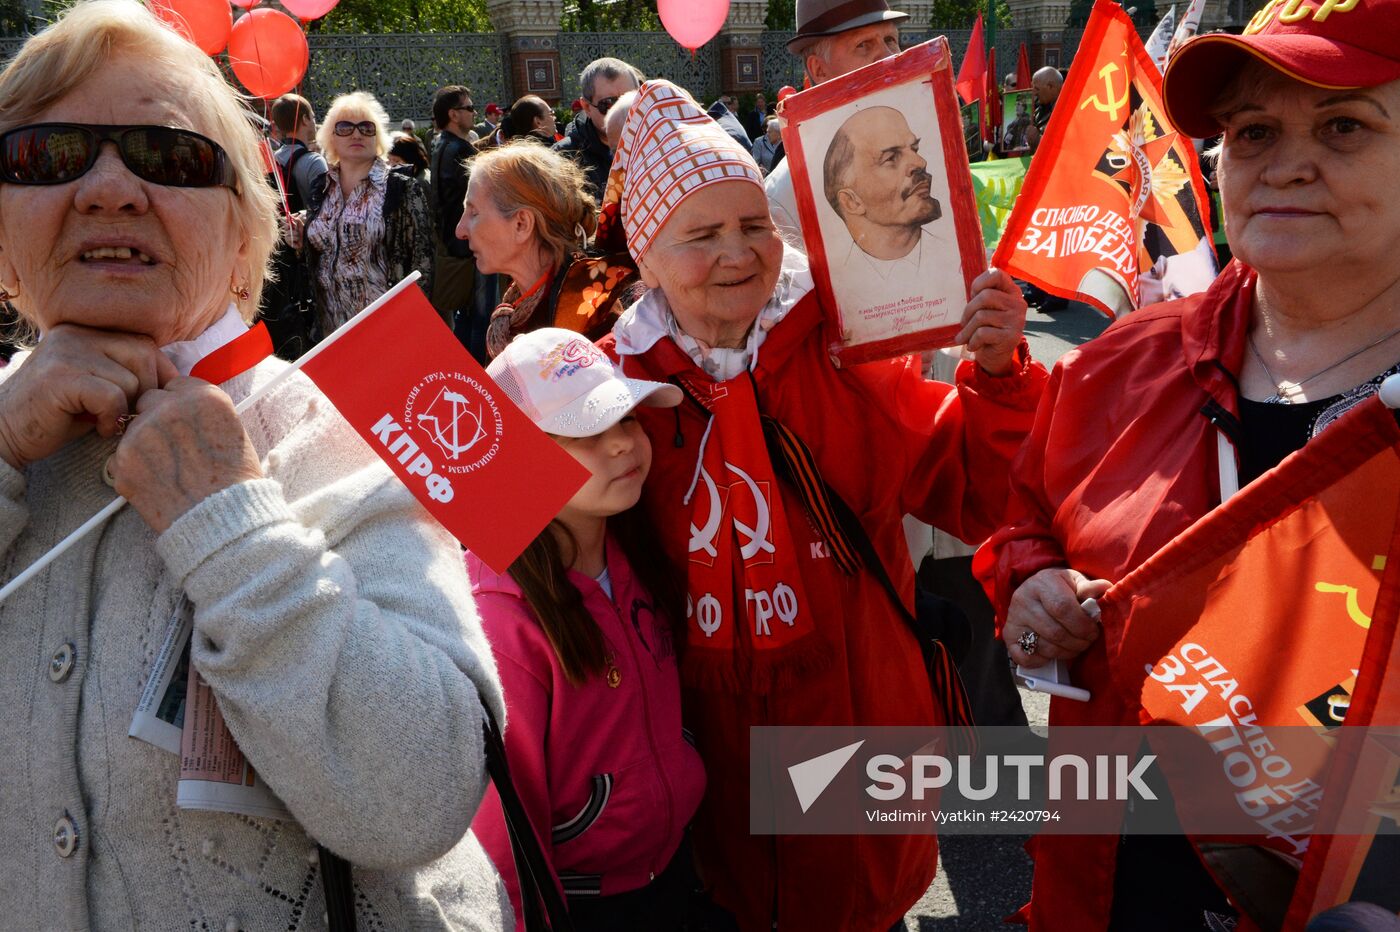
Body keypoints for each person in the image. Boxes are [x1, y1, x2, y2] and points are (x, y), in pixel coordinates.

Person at [0, 2, 510, 928]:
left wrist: (230, 523)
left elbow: (428, 795)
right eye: (49, 155)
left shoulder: (336, 427)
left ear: (244, 239)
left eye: (169, 158)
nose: (109, 190)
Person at [974, 2, 1400, 929]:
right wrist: (1034, 588)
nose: (1286, 162)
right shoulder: (1115, 365)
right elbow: (1022, 527)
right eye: (1253, 132)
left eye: (1343, 125)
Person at [602, 79, 1045, 932]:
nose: (739, 254)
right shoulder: (611, 386)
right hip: (699, 752)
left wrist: (999, 377)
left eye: (753, 226)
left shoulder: (843, 343)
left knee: (857, 907)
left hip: (858, 717)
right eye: (702, 235)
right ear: (646, 254)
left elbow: (974, 487)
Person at [469, 328, 706, 932]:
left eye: (626, 418)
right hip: (582, 906)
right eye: (588, 433)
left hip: (674, 873)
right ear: (520, 458)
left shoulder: (638, 556)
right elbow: (506, 825)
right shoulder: (504, 618)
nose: (625, 444)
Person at [458, 142, 638, 358]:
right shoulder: (517, 306)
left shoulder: (585, 314)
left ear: (521, 224)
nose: (460, 230)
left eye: (474, 212)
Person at [765, 0, 906, 245]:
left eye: (891, 40)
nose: (889, 57)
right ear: (819, 70)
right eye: (863, 45)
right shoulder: (787, 196)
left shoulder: (927, 154)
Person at [304, 90, 433, 340]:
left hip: (386, 332)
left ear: (378, 137)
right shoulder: (320, 188)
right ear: (331, 136)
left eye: (366, 127)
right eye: (344, 127)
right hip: (330, 332)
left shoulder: (402, 188)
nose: (356, 134)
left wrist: (408, 329)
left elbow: (422, 268)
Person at [261, 92, 329, 358]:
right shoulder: (314, 162)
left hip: (279, 258)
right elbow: (323, 212)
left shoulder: (268, 161)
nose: (314, 123)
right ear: (303, 119)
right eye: (312, 117)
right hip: (309, 263)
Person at [555, 57, 643, 197]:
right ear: (587, 107)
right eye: (608, 103)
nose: (623, 111)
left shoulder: (658, 142)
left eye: (631, 100)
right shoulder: (563, 157)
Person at [429, 85, 479, 332]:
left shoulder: (440, 144)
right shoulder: (461, 149)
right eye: (469, 107)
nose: (474, 112)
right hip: (469, 249)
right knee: (480, 317)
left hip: (450, 243)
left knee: (465, 318)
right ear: (453, 114)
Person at [1025, 65, 1062, 152]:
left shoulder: (1067, 111)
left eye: (1037, 89)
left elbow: (1063, 145)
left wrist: (1038, 141)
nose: (1034, 93)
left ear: (1050, 86)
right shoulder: (1038, 110)